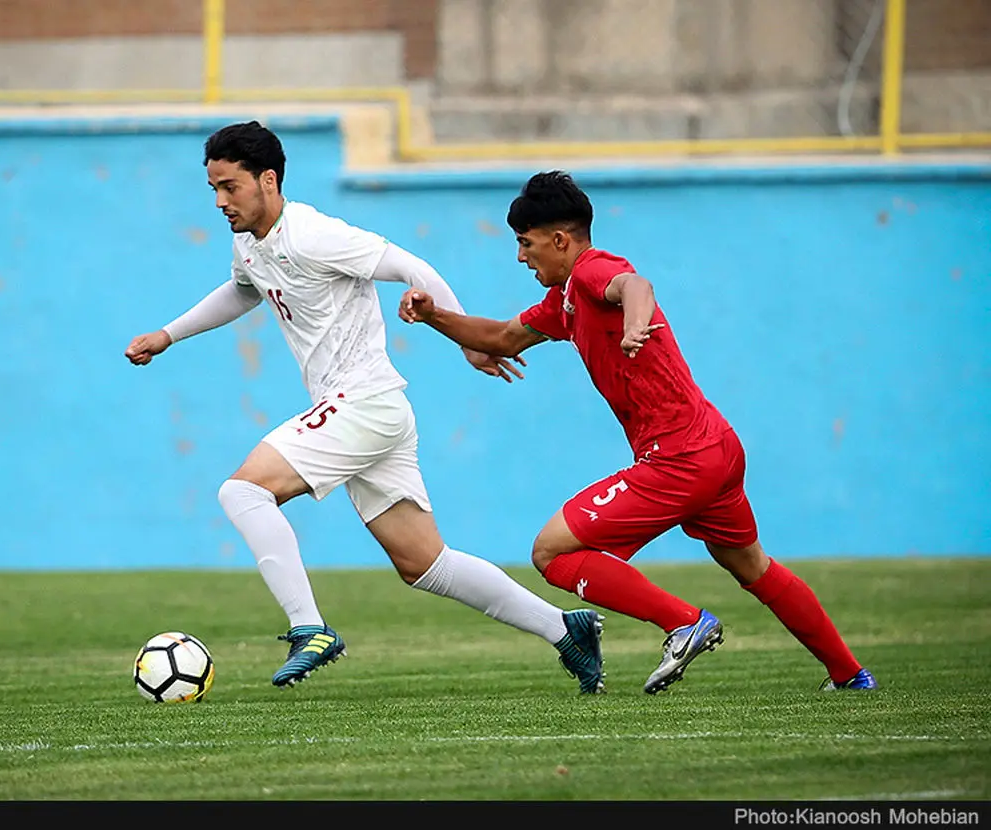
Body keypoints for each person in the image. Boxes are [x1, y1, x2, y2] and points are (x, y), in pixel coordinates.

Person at [124, 123, 604, 693]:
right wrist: (169, 334)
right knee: (426, 565)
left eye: (229, 187)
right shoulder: (251, 245)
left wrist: (467, 340)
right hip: (372, 412)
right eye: (213, 190)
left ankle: (310, 629)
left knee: (243, 491)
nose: (220, 201)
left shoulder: (313, 234)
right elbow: (245, 289)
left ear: (268, 180)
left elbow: (409, 265)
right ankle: (566, 630)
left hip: (363, 402)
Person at [397, 170, 878, 694]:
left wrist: (634, 321)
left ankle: (682, 621)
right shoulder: (566, 300)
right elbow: (504, 338)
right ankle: (850, 675)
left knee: (551, 553)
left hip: (677, 458)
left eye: (525, 243)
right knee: (752, 566)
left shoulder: (590, 273)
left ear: (560, 240)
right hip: (715, 445)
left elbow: (634, 285)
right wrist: (433, 317)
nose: (520, 256)